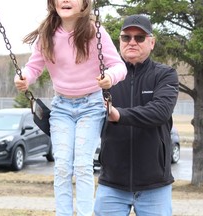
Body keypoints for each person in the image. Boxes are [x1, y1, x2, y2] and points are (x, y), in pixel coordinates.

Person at [14, 0, 127, 215]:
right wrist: (24, 78)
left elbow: (119, 66)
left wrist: (109, 77)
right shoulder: (47, 34)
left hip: (91, 105)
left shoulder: (95, 31)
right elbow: (34, 66)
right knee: (62, 166)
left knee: (83, 165)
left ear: (85, 3)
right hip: (62, 107)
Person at [94, 14, 179, 216]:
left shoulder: (165, 74)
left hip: (154, 185)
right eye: (126, 37)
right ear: (119, 41)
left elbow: (160, 112)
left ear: (152, 42)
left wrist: (118, 115)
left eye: (139, 37)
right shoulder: (105, 78)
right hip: (111, 184)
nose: (132, 42)